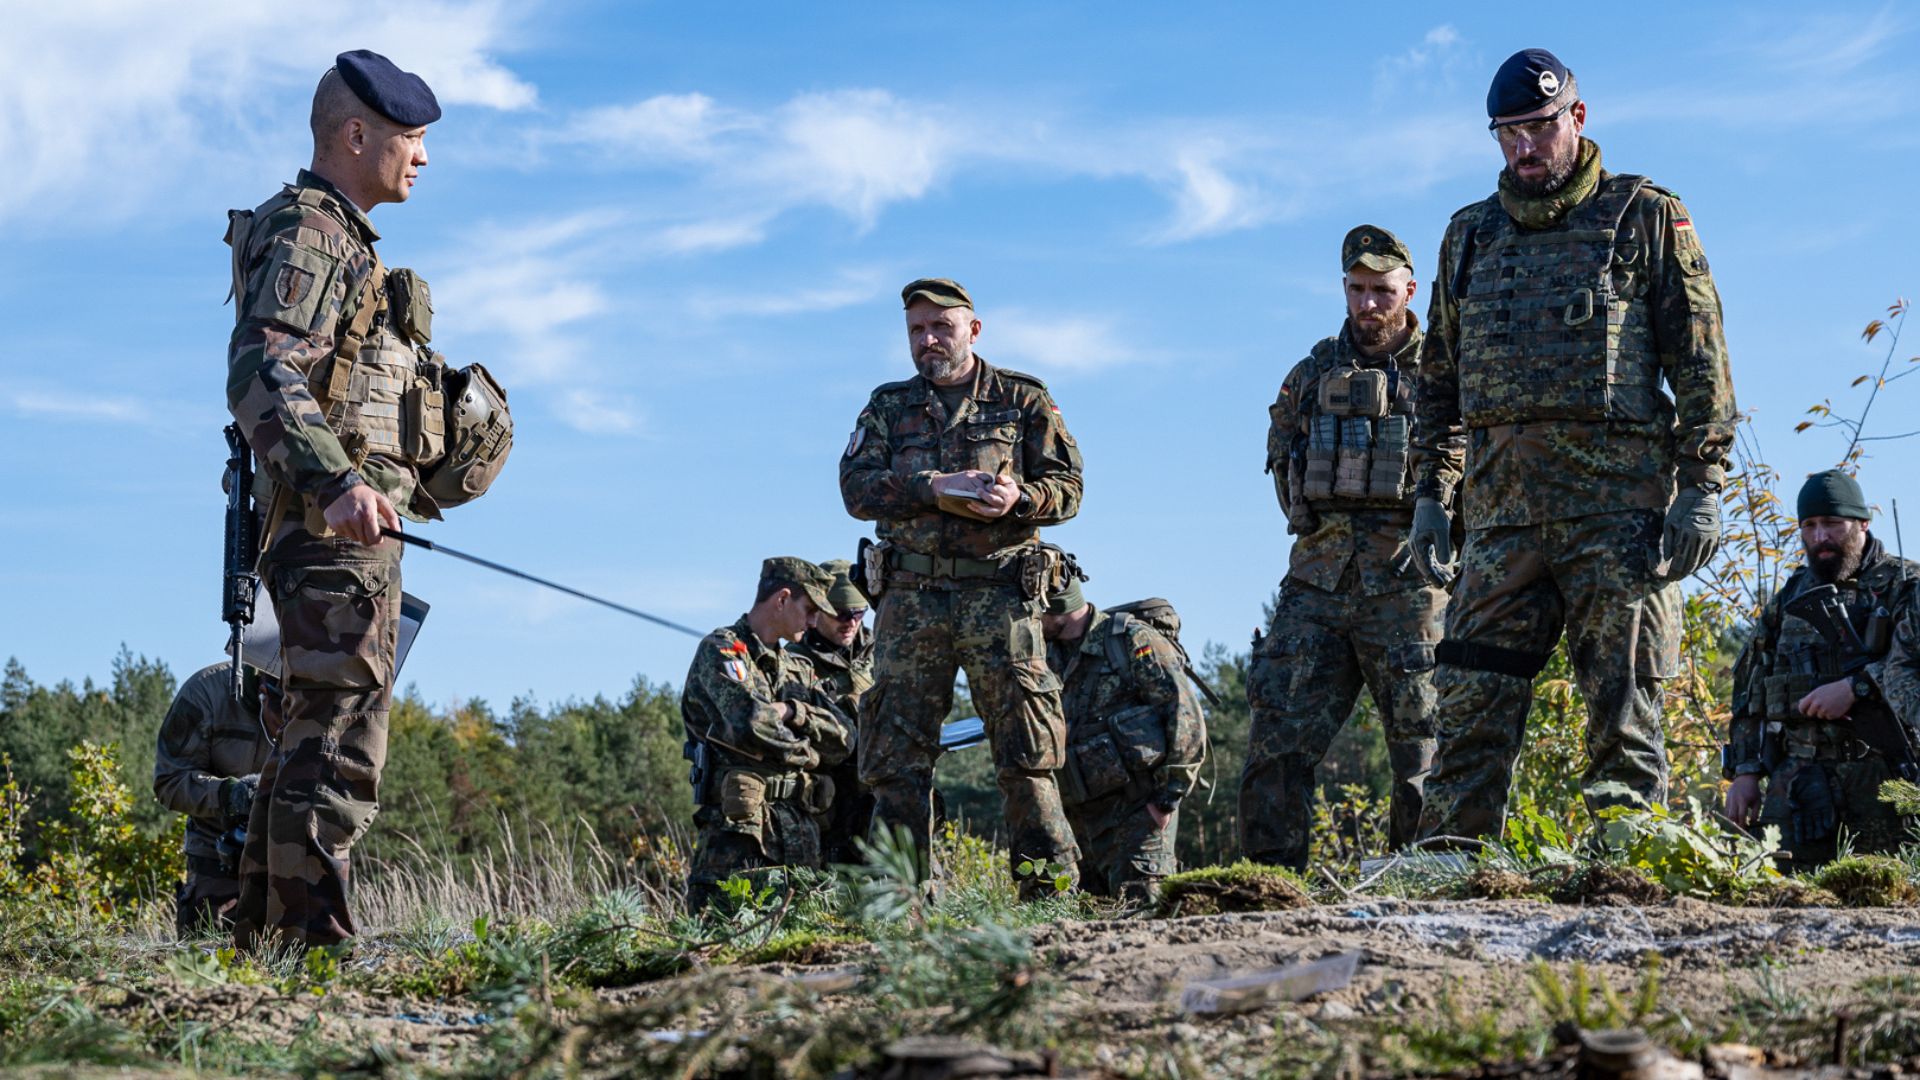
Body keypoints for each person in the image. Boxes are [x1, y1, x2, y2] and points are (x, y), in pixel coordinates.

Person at [1407, 48, 1737, 843]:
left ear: (1577, 120)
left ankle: (1626, 864)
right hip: (1501, 517)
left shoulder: (1645, 217)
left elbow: (1699, 359)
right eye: (1508, 133)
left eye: (1539, 128)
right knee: (1469, 696)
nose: (1525, 148)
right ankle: (1455, 860)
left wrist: (1702, 484)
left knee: (1621, 701)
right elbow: (1440, 381)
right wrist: (1429, 495)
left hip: (1615, 514)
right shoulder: (1469, 237)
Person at [226, 51, 508, 950]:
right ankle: (314, 953)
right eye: (411, 140)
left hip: (349, 534)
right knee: (339, 746)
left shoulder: (341, 239)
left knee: (312, 736)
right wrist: (337, 482)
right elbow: (262, 370)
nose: (421, 158)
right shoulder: (313, 233)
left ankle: (269, 945)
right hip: (331, 533)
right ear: (357, 135)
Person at [839, 277, 1085, 896]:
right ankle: (898, 900)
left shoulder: (1023, 399)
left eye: (940, 328)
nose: (927, 340)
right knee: (896, 755)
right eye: (916, 330)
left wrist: (1019, 498)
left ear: (972, 330)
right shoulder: (888, 407)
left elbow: (1070, 489)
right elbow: (855, 489)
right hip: (911, 598)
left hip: (998, 597)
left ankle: (1047, 895)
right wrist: (933, 485)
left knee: (1026, 750)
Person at [1240, 225, 1448, 870]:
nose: (1368, 305)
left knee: (1423, 747)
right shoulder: (1309, 374)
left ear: (1410, 291)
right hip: (1316, 587)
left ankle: (1415, 883)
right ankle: (1266, 891)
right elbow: (1285, 467)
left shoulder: (1446, 370)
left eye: (1382, 291)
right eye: (1357, 290)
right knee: (1277, 741)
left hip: (1410, 587)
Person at [1725, 471, 1919, 866]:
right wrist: (1745, 773)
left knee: (1894, 900)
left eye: (1832, 523)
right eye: (1809, 526)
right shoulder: (1790, 597)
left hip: (1888, 777)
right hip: (1800, 780)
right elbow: (1751, 688)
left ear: (1863, 523)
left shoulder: (1906, 586)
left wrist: (1857, 686)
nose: (1820, 537)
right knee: (1779, 899)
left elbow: (1911, 667)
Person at [682, 558, 854, 913]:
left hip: (801, 840)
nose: (812, 622)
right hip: (739, 841)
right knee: (724, 954)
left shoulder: (800, 668)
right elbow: (753, 724)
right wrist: (810, 753)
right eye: (808, 610)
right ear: (781, 600)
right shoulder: (724, 650)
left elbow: (845, 739)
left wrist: (795, 712)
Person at [1041, 579, 1206, 904]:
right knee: (1089, 921)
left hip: (1137, 811)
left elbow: (1184, 714)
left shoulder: (1130, 639)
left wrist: (1167, 800)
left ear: (1058, 607)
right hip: (1078, 820)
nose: (1031, 623)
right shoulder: (1046, 654)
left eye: (1037, 614)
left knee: (1140, 910)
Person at [153, 661, 278, 935]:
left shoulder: (323, 698)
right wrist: (230, 794)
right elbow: (168, 781)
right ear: (264, 693)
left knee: (300, 956)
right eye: (281, 717)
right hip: (216, 847)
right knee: (206, 954)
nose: (283, 732)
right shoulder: (205, 694)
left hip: (287, 848)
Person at [787, 560, 877, 866]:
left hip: (884, 800)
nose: (850, 623)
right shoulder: (793, 664)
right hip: (829, 807)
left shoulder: (887, 652)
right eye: (840, 614)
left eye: (859, 614)